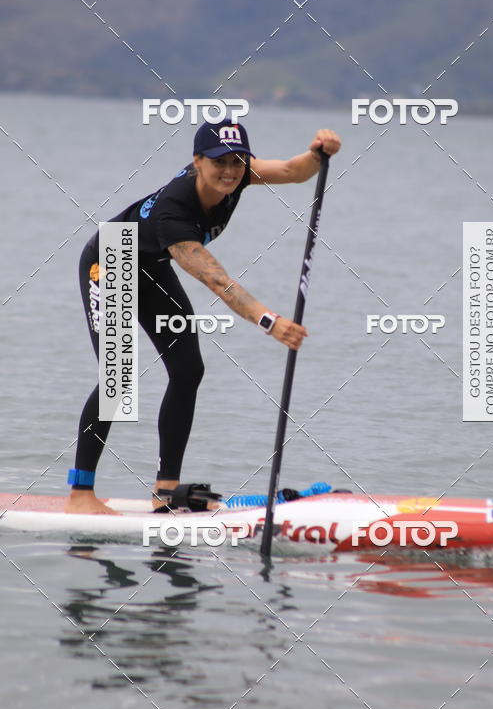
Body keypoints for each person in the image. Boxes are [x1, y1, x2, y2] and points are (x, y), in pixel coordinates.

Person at [66, 120, 341, 514]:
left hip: (151, 265)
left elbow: (294, 172)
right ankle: (80, 496)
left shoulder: (239, 174)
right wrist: (270, 321)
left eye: (237, 161)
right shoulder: (172, 214)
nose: (229, 171)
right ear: (197, 161)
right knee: (118, 380)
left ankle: (166, 492)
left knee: (187, 369)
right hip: (112, 261)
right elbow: (218, 282)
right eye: (218, 163)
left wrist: (318, 153)